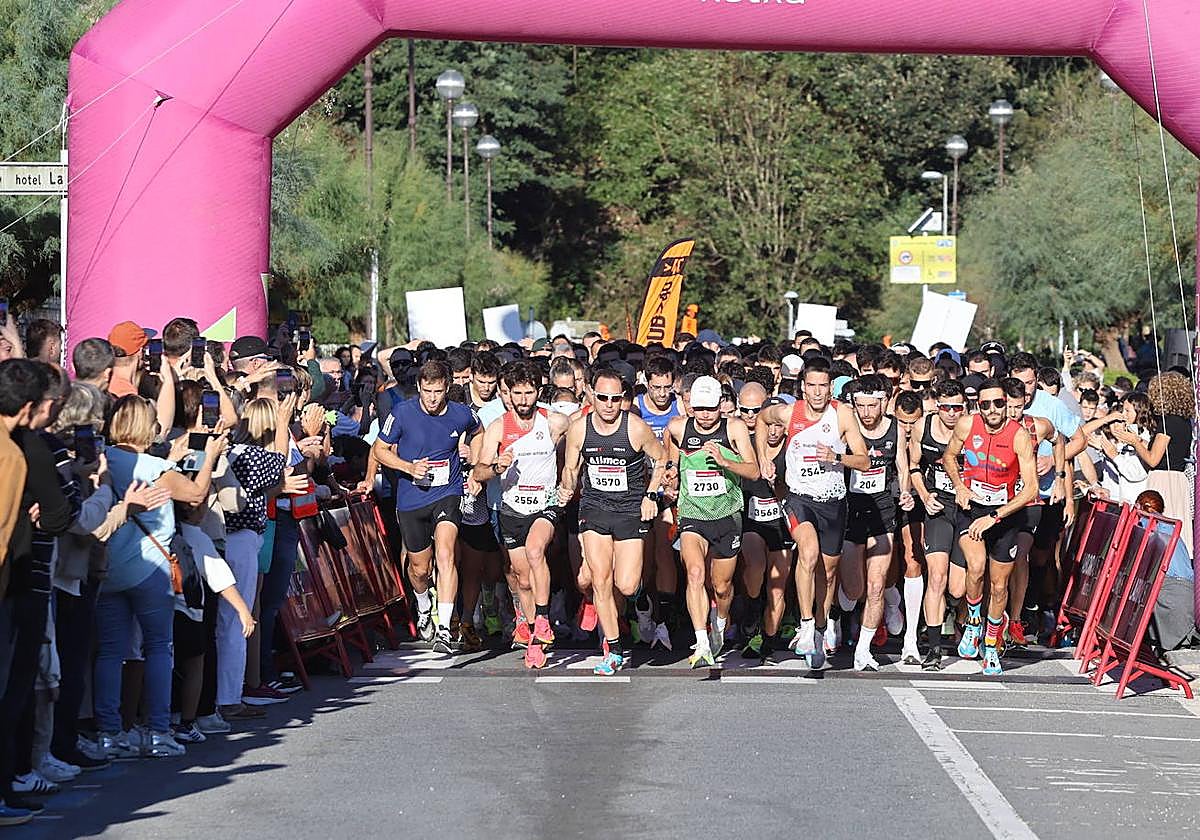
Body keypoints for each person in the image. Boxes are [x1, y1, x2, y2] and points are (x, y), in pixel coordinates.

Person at [94, 396, 227, 758]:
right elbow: (195, 495)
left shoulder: (104, 458)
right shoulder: (154, 466)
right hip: (150, 568)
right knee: (158, 649)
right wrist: (210, 456)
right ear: (145, 426)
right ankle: (157, 730)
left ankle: (110, 733)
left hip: (109, 567)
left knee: (110, 652)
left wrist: (170, 457)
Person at [757, 357, 870, 669]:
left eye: (823, 386)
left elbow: (864, 461)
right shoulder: (788, 412)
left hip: (833, 502)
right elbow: (762, 420)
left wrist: (837, 457)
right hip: (799, 498)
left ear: (830, 388)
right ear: (803, 388)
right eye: (812, 386)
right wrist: (763, 457)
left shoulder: (842, 414)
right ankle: (806, 625)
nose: (818, 392)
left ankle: (821, 627)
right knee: (807, 553)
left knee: (828, 572)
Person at [559, 368, 666, 676]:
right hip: (595, 509)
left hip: (630, 511)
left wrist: (651, 495)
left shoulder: (635, 428)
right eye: (603, 397)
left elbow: (661, 458)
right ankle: (614, 649)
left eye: (615, 399)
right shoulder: (579, 429)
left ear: (623, 399)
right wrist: (566, 488)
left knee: (627, 584)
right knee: (600, 580)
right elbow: (571, 468)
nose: (609, 404)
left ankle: (640, 599)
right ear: (591, 396)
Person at [371, 361, 480, 653]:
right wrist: (408, 467)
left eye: (438, 391)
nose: (432, 398)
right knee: (420, 569)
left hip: (448, 492)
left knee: (446, 553)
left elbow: (479, 431)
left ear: (447, 388)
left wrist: (474, 458)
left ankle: (444, 628)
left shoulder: (460, 413)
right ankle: (422, 604)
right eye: (427, 391)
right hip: (412, 498)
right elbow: (379, 450)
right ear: (419, 387)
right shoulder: (402, 413)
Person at [474, 363, 570, 668]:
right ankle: (534, 638)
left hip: (545, 504)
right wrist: (496, 467)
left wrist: (568, 485)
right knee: (523, 580)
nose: (524, 399)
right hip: (512, 508)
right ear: (508, 394)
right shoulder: (498, 427)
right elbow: (479, 471)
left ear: (538, 392)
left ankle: (542, 620)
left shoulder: (554, 421)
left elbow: (577, 446)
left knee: (535, 550)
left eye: (529, 392)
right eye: (517, 393)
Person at [943, 379, 1038, 676]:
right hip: (972, 509)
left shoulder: (1019, 435)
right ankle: (973, 622)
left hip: (1004, 515)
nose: (993, 409)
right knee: (975, 566)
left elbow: (1031, 488)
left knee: (998, 587)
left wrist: (995, 516)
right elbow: (948, 456)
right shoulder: (966, 425)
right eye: (985, 404)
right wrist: (959, 485)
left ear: (1006, 404)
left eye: (998, 403)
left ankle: (992, 642)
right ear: (978, 406)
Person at [664, 375, 759, 667]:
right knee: (695, 574)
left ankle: (719, 623)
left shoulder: (734, 428)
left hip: (726, 515)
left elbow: (754, 471)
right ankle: (702, 641)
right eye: (699, 408)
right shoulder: (678, 427)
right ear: (690, 406)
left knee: (722, 587)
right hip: (693, 513)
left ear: (721, 405)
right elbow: (670, 457)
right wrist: (671, 473)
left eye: (711, 408)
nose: (705, 415)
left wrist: (725, 461)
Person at [838, 375, 913, 671]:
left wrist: (905, 492)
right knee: (854, 591)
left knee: (876, 584)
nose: (867, 413)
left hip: (882, 511)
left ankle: (863, 649)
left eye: (872, 406)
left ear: (883, 403)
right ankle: (838, 609)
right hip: (851, 510)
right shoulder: (848, 427)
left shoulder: (896, 429)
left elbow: (903, 467)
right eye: (861, 406)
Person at [910, 380, 968, 670]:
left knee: (957, 589)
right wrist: (924, 495)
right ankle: (933, 650)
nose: (952, 414)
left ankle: (959, 613)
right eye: (946, 408)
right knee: (936, 577)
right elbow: (913, 467)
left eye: (958, 408)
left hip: (967, 510)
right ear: (937, 406)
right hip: (939, 507)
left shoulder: (974, 428)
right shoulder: (923, 426)